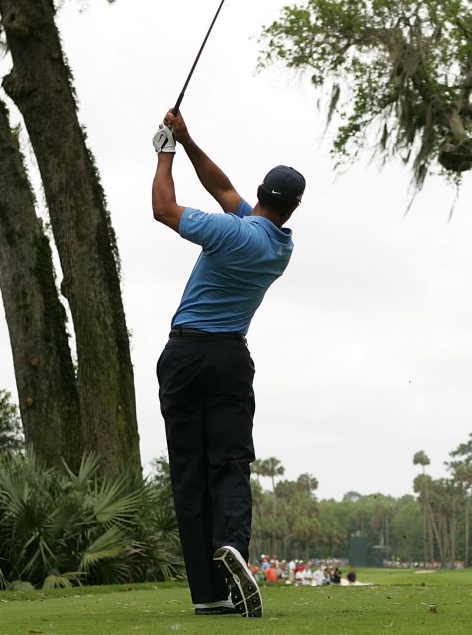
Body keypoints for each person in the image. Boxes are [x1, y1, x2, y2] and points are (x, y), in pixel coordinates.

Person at [151, 112, 304, 617]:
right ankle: (233, 546)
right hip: (231, 359)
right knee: (231, 462)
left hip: (185, 355)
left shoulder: (231, 233)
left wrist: (164, 151)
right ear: (293, 208)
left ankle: (208, 594)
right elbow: (222, 188)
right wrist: (189, 140)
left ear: (261, 192)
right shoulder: (279, 246)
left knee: (190, 474)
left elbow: (164, 209)